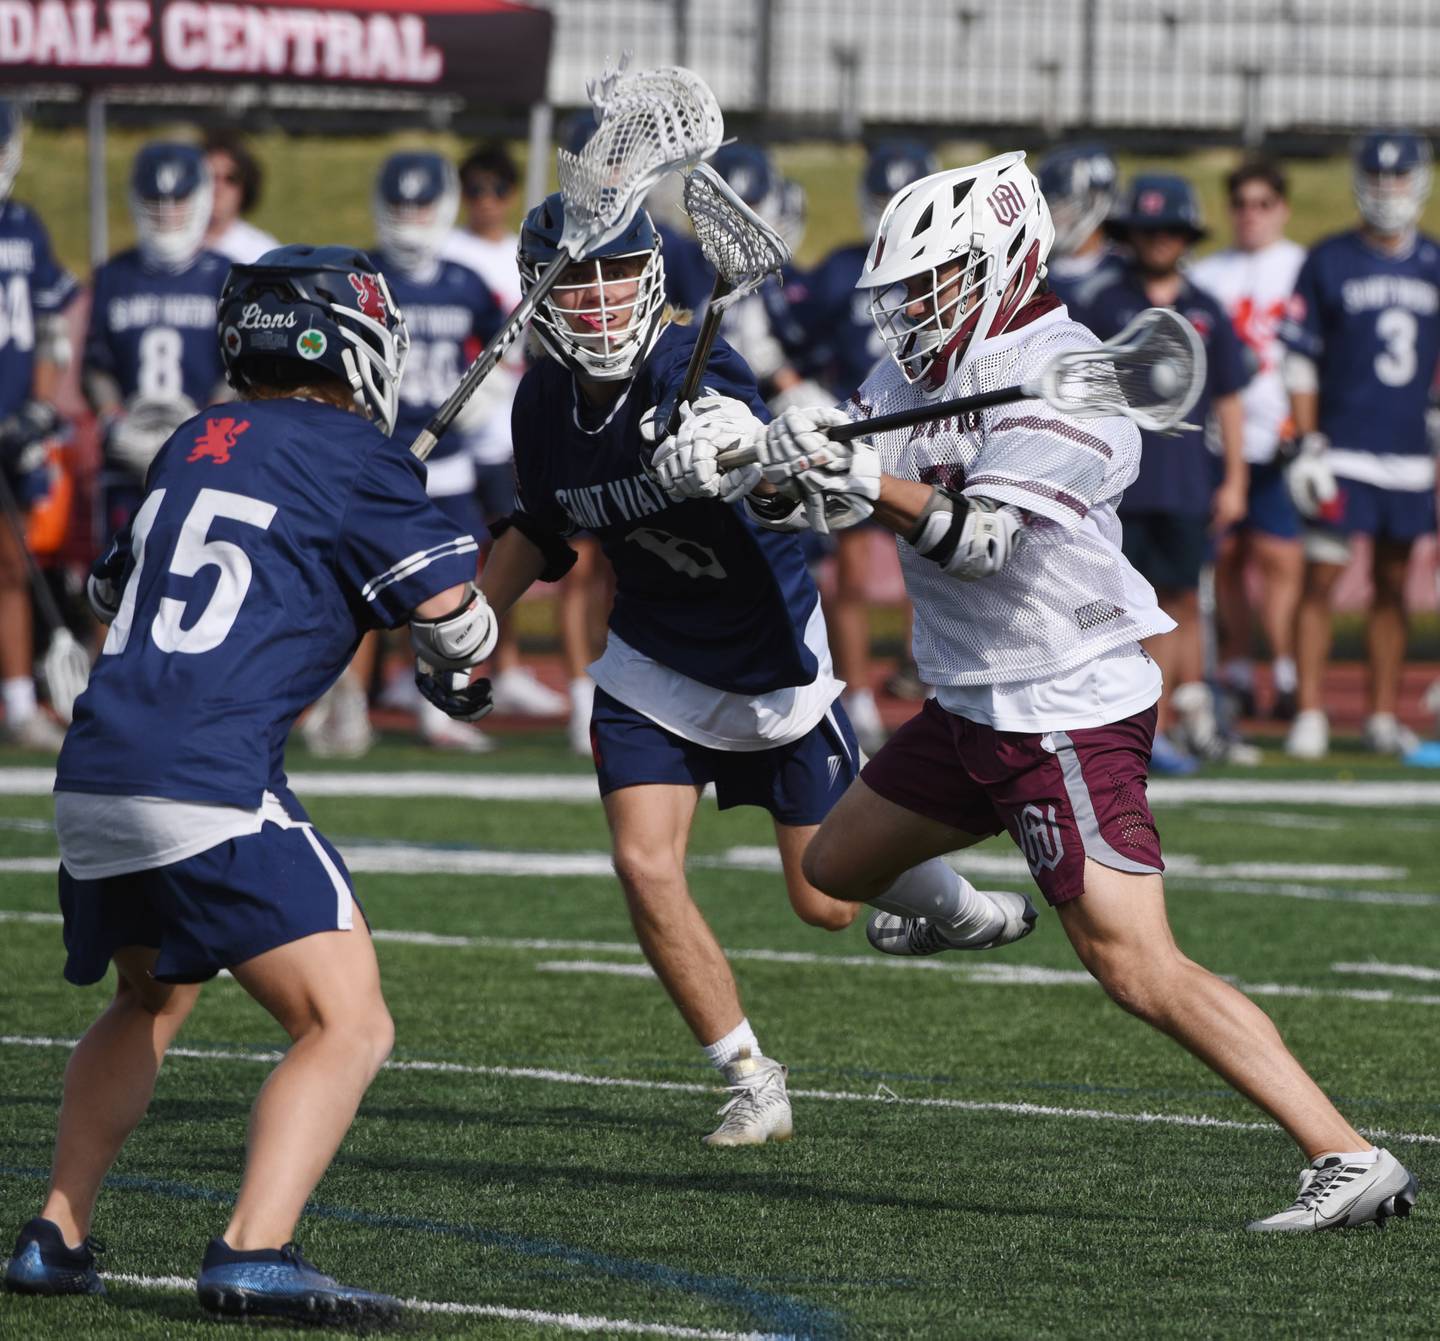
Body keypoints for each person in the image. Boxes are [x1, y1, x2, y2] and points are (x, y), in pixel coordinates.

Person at [688, 151, 1418, 1232]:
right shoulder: (912, 376)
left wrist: (855, 478)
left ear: (999, 263)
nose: (908, 313)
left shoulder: (1074, 374)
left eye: (929, 285)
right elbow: (831, 506)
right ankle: (977, 916)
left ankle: (1346, 1154)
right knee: (837, 867)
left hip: (1061, 702)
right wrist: (765, 461)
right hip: (975, 696)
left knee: (1135, 965)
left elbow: (977, 539)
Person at [3, 245, 499, 1317]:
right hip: (206, 775)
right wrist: (462, 655)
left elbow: (110, 582)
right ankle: (253, 1248)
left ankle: (56, 1232)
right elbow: (456, 619)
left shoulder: (193, 440)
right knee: (349, 1024)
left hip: (94, 770)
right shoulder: (360, 459)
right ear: (352, 342)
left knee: (151, 996)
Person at [475, 192, 1030, 1145]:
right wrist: (473, 623)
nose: (601, 299)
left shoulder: (697, 366)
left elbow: (774, 476)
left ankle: (965, 909)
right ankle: (747, 1074)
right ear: (540, 294)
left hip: (769, 656)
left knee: (824, 898)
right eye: (578, 279)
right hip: (652, 657)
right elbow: (539, 522)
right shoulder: (540, 401)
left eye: (617, 274)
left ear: (651, 279)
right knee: (644, 863)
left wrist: (735, 457)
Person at [307, 151, 506, 757]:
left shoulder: (466, 282)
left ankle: (441, 709)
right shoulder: (361, 279)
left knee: (453, 590)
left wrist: (488, 392)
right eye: (401, 207)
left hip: (445, 467)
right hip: (378, 460)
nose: (412, 218)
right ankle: (346, 704)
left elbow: (499, 351)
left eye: (422, 205)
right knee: (358, 590)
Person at [1083, 174, 1256, 769]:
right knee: (1123, 602)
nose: (1159, 241)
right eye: (1148, 230)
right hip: (1120, 482)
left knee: (1181, 598)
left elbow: (1231, 399)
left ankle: (1173, 719)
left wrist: (1235, 479)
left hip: (1186, 480)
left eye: (1170, 229)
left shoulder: (1206, 309)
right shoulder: (1105, 303)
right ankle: (1136, 724)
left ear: (1187, 234)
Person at [1279, 129, 1440, 759]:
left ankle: (1379, 713)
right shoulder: (1328, 259)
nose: (1388, 192)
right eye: (1378, 179)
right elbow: (1300, 360)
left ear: (1419, 183)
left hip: (1407, 449)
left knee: (1394, 586)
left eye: (1399, 179)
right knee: (1321, 577)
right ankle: (1312, 711)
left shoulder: (1433, 260)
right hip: (1342, 446)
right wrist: (1309, 439)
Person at [792, 140, 939, 751]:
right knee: (851, 574)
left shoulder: (945, 270)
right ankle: (855, 694)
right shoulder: (838, 271)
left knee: (931, 565)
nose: (887, 215)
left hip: (929, 434)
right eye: (881, 201)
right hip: (857, 430)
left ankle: (928, 681)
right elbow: (801, 344)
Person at [441, 142, 569, 721]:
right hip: (462, 428)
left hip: (515, 422)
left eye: (496, 190)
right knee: (447, 552)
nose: (485, 202)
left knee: (512, 546)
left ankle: (506, 661)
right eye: (474, 190)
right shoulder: (448, 253)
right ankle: (442, 661)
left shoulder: (533, 249)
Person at [1189, 159, 1306, 722]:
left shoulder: (1301, 268)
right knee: (1228, 557)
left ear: (1281, 208)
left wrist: (1309, 427)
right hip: (1221, 439)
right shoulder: (1209, 275)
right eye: (1241, 204)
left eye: (1263, 203)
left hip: (1281, 436)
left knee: (1281, 556)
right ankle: (1237, 667)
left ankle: (1284, 665)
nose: (1251, 215)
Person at [84, 142, 231, 550]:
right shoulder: (115, 275)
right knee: (113, 575)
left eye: (178, 201)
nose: (167, 213)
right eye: (155, 202)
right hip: (126, 458)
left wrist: (207, 426)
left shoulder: (225, 276)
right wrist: (113, 419)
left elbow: (239, 368)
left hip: (205, 457)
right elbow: (96, 364)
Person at [0, 99, 79, 749]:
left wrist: (40, 408)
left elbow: (52, 331)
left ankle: (20, 700)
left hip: (11, 423)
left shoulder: (24, 227)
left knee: (11, 563)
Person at [1035, 141, 1123, 322]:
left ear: (1094, 201)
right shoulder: (1036, 269)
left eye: (1062, 203)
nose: (1054, 212)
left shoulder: (1127, 273)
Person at [202, 129, 279, 264]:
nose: (218, 188)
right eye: (209, 177)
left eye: (230, 179)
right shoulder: (170, 249)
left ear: (245, 187)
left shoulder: (264, 254)